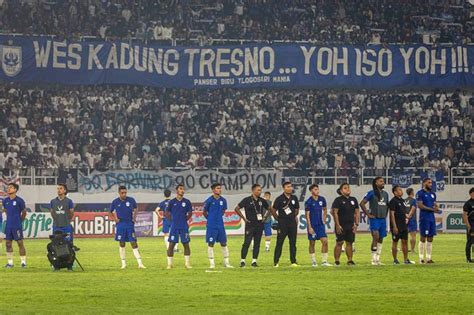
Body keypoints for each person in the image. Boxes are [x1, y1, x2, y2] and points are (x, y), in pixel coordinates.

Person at [234, 184, 271, 267]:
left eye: (260, 190)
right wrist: (244, 218)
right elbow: (236, 208)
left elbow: (270, 209)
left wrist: (265, 217)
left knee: (257, 243)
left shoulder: (262, 201)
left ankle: (254, 261)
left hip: (259, 225)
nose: (260, 192)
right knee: (246, 243)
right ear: (253, 191)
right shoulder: (246, 200)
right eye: (258, 190)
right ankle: (242, 261)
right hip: (250, 225)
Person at [109, 185, 146, 269]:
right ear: (119, 193)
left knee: (133, 242)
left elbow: (136, 208)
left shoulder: (131, 200)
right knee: (122, 243)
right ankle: (123, 264)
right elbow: (110, 212)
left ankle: (140, 263)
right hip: (121, 225)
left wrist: (134, 218)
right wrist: (115, 219)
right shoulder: (115, 202)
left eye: (125, 192)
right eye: (122, 193)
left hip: (129, 224)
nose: (124, 194)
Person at [360, 177, 389, 265]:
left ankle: (377, 259)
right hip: (375, 218)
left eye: (383, 181)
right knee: (375, 236)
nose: (383, 182)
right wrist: (368, 215)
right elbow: (362, 203)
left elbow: (387, 205)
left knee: (381, 238)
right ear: (376, 183)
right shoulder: (371, 193)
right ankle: (373, 258)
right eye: (381, 181)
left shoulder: (386, 194)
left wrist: (385, 215)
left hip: (383, 219)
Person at [203, 183, 233, 269]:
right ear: (213, 190)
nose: (220, 190)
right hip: (211, 226)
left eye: (220, 188)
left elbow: (223, 211)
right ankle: (212, 263)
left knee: (223, 243)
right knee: (211, 243)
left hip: (220, 225)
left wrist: (218, 217)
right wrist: (210, 219)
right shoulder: (209, 200)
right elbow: (204, 212)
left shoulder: (223, 200)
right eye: (218, 188)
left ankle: (227, 263)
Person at [165, 184, 193, 269]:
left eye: (183, 189)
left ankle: (187, 264)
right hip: (174, 226)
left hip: (184, 226)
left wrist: (185, 220)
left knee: (186, 244)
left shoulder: (187, 202)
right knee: (171, 244)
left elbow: (190, 213)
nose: (182, 190)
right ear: (177, 190)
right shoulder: (172, 202)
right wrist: (172, 221)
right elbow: (166, 212)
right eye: (181, 189)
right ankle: (169, 264)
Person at [272, 181, 300, 267]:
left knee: (293, 243)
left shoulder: (294, 198)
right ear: (284, 188)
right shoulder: (279, 199)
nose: (290, 188)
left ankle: (293, 261)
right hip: (282, 224)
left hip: (292, 223)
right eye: (288, 187)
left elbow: (297, 209)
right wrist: (279, 219)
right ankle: (276, 262)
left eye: (291, 187)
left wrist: (292, 217)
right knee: (279, 242)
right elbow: (273, 210)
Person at [332, 183, 359, 266]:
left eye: (348, 188)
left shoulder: (353, 200)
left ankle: (350, 260)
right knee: (339, 242)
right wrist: (337, 225)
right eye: (345, 188)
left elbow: (357, 212)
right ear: (341, 191)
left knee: (349, 243)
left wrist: (356, 224)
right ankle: (337, 260)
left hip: (350, 225)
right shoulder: (338, 200)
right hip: (341, 225)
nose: (348, 189)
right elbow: (335, 213)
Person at [305, 184, 331, 267]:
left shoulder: (322, 199)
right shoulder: (308, 201)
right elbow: (307, 215)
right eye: (315, 189)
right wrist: (309, 226)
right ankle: (313, 261)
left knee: (325, 241)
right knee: (312, 243)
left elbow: (325, 209)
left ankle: (324, 261)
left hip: (320, 225)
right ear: (311, 191)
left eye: (318, 189)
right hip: (312, 225)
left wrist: (324, 219)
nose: (317, 191)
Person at [2, 183, 27, 268]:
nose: (8, 189)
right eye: (8, 187)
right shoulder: (5, 201)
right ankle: (10, 263)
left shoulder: (20, 200)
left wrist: (20, 221)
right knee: (8, 243)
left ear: (15, 190)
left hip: (17, 225)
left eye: (11, 187)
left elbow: (24, 212)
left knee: (20, 243)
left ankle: (23, 262)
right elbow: (5, 210)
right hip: (8, 225)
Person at [389, 185, 414, 265]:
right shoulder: (393, 201)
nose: (401, 191)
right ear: (395, 192)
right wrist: (394, 226)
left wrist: (407, 216)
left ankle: (406, 259)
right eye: (399, 190)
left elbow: (403, 212)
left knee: (405, 241)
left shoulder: (403, 201)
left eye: (401, 190)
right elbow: (392, 214)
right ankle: (395, 260)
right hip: (396, 225)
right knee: (395, 242)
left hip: (403, 225)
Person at [416, 178, 440, 264]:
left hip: (431, 218)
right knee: (423, 237)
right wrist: (432, 209)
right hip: (424, 218)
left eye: (431, 183)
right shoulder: (420, 193)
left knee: (430, 237)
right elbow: (420, 206)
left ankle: (429, 258)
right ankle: (421, 258)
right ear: (424, 183)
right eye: (429, 183)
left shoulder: (433, 194)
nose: (431, 184)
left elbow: (434, 203)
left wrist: (436, 206)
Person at [462, 187, 474, 263]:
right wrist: (468, 226)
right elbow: (465, 215)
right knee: (470, 241)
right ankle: (468, 258)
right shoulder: (468, 203)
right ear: (470, 194)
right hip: (471, 224)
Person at [404, 188, 417, 253]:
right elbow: (413, 209)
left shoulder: (404, 200)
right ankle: (412, 250)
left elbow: (402, 209)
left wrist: (406, 216)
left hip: (404, 219)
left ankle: (405, 248)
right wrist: (409, 217)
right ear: (412, 192)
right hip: (412, 219)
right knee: (413, 235)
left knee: (404, 235)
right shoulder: (414, 200)